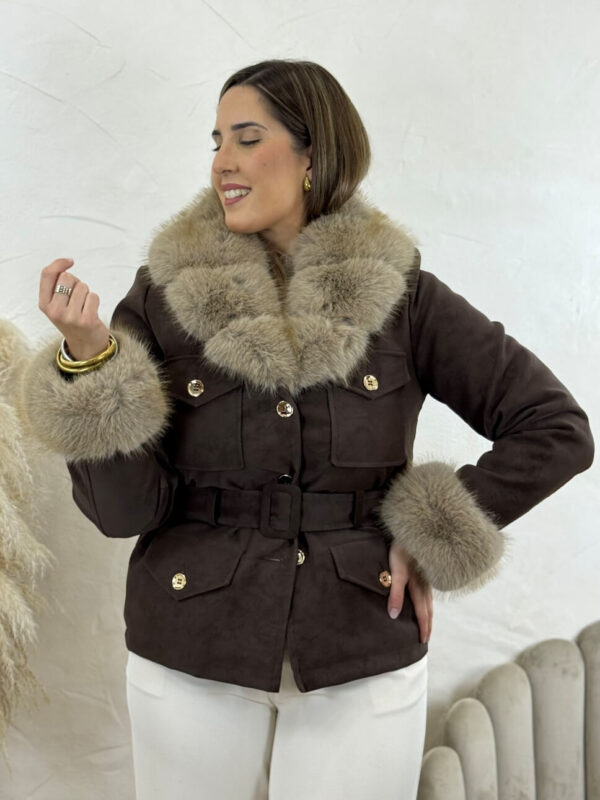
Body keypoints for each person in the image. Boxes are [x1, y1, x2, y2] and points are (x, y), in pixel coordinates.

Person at [19, 59, 593, 800]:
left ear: (313, 154)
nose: (222, 162)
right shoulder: (162, 300)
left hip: (361, 644)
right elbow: (122, 513)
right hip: (192, 646)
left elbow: (555, 427)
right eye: (216, 141)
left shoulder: (406, 300)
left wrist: (430, 531)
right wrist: (92, 361)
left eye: (247, 138)